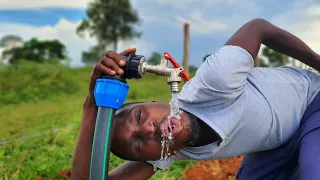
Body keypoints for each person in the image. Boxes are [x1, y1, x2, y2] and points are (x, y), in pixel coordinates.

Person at [71, 18, 320, 180]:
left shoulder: (215, 82)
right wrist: (90, 108)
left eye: (139, 116)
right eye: (137, 143)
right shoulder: (169, 150)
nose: (147, 130)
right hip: (277, 142)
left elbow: (257, 28)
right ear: (154, 156)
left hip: (311, 102)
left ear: (155, 101)